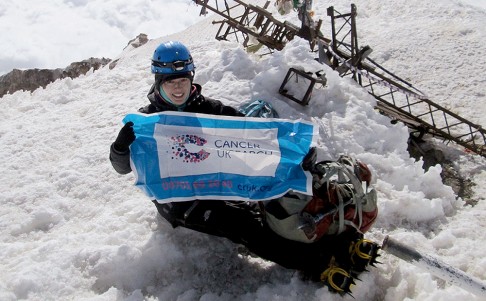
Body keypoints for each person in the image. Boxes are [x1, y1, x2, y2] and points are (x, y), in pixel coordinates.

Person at [110, 40, 380, 295]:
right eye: (171, 82)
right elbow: (122, 168)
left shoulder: (208, 109)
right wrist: (121, 149)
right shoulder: (147, 123)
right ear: (159, 82)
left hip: (221, 184)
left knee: (273, 203)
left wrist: (295, 155)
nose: (178, 88)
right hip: (182, 202)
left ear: (191, 78)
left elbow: (255, 135)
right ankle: (319, 263)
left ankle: (340, 240)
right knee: (245, 226)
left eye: (183, 80)